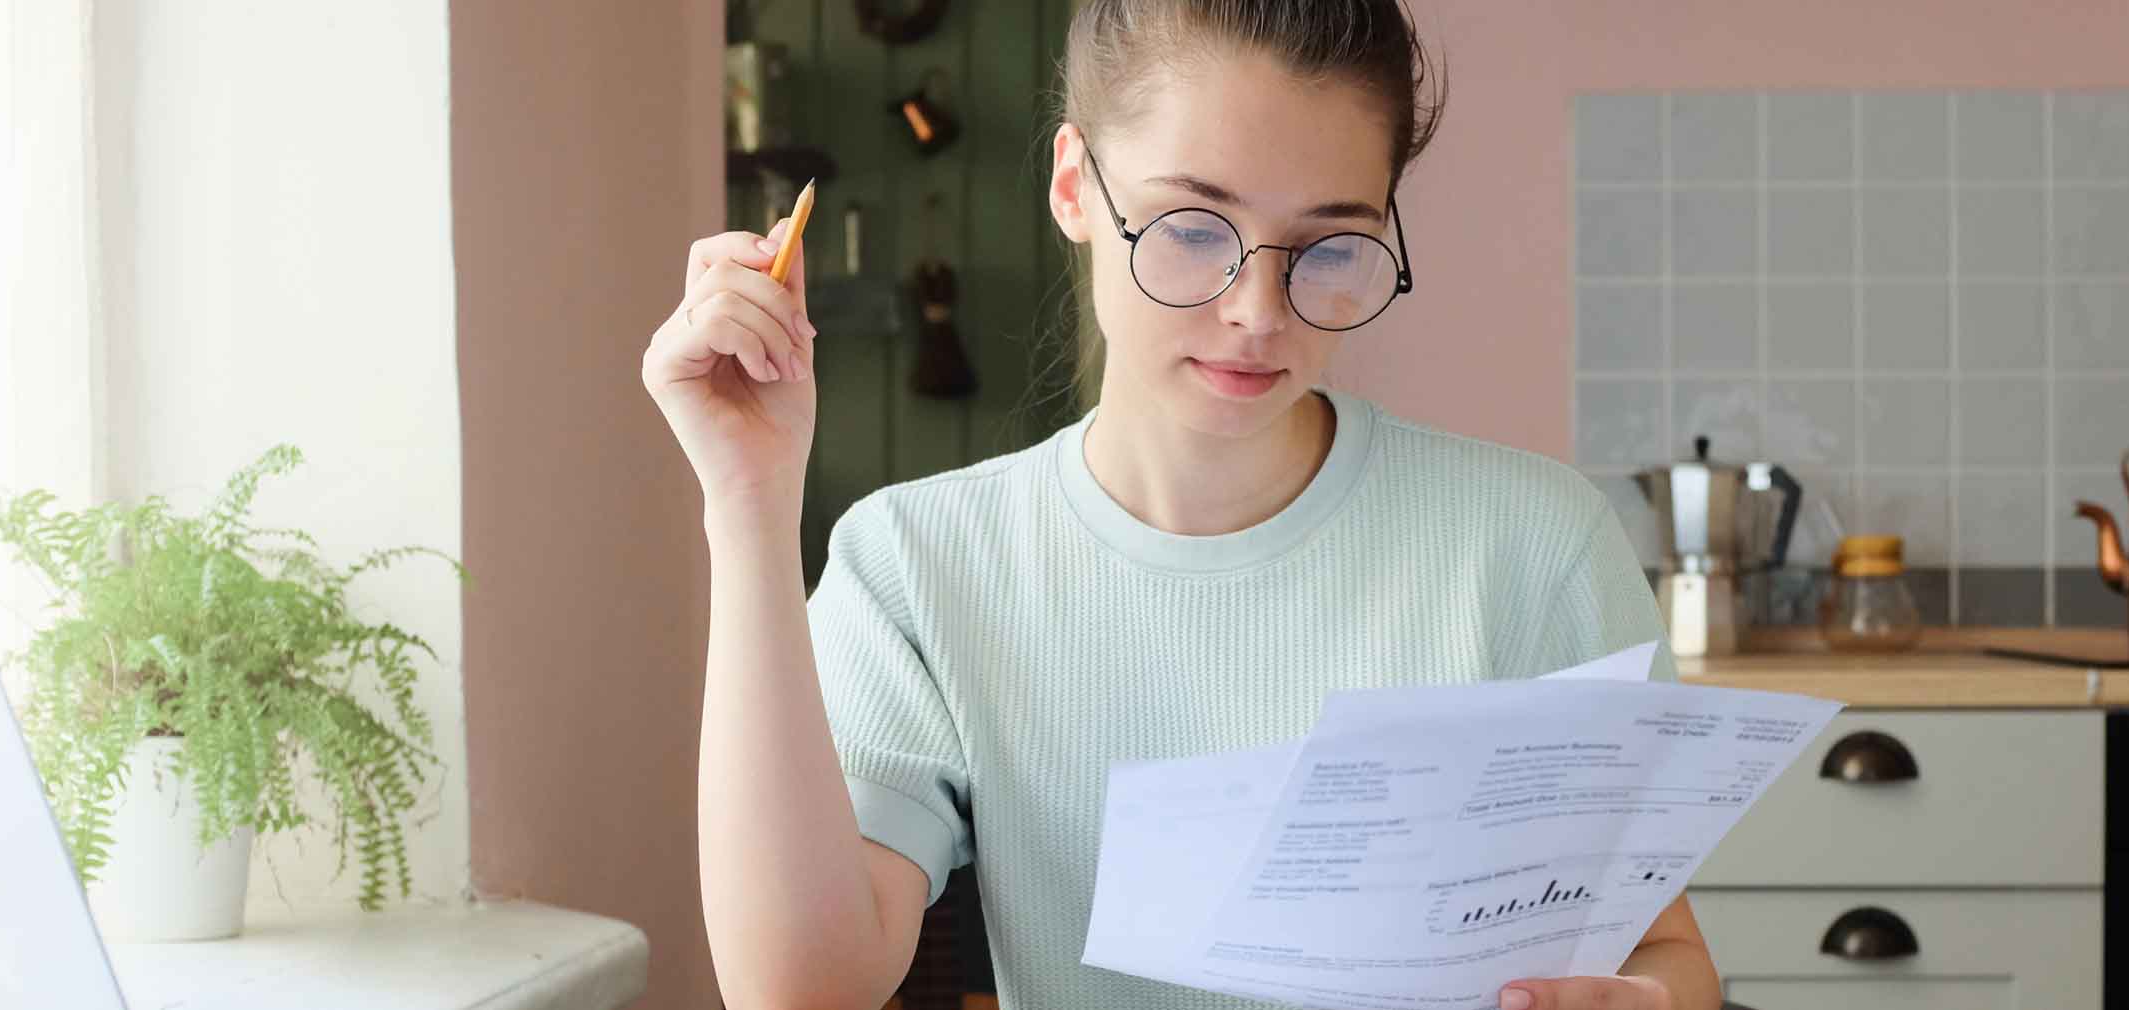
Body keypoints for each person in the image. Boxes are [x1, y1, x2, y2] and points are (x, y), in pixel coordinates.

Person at [646, 2, 1721, 1008]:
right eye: (1195, 228)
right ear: (1074, 186)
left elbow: (1662, 951)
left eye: (1331, 245)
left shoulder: (1535, 544)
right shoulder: (920, 561)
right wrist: (748, 499)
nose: (1258, 311)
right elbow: (800, 987)